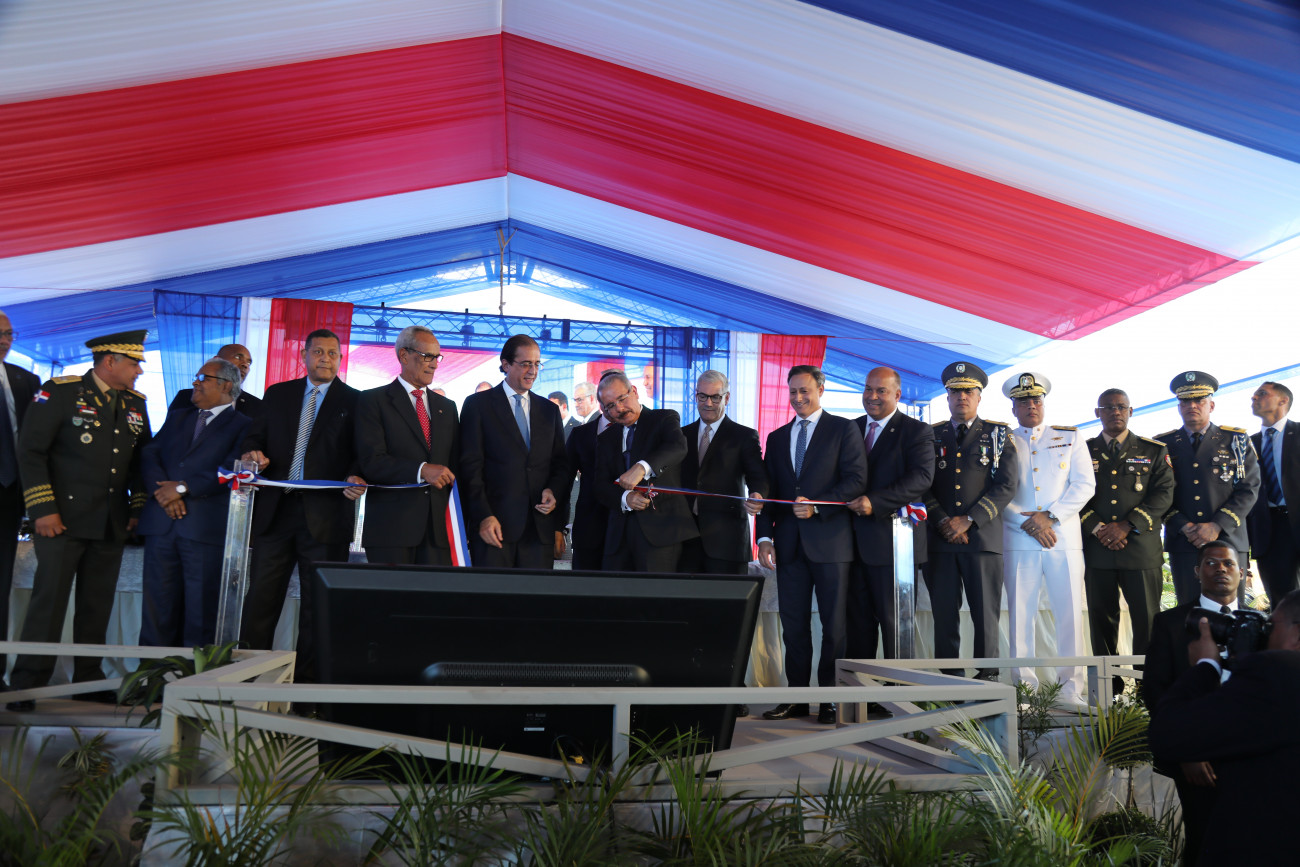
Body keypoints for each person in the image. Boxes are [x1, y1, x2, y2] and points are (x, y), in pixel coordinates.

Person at [7, 331, 152, 711]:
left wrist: (136, 509)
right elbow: (31, 452)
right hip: (62, 520)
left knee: (96, 607)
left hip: (110, 522)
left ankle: (88, 682)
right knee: (49, 604)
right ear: (110, 361)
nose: (139, 371)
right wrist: (42, 509)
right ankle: (26, 685)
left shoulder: (135, 402)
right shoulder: (60, 392)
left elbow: (142, 461)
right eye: (134, 363)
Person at [238, 329, 365, 688]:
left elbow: (364, 452)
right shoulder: (278, 394)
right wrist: (252, 455)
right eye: (318, 352)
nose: (325, 358)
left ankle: (306, 690)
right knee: (260, 600)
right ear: (304, 355)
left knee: (316, 608)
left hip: (327, 518)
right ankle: (246, 681)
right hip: (275, 512)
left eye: (332, 353)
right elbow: (254, 438)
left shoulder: (356, 401)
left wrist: (357, 474)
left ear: (340, 359)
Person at [1150, 592, 1300, 866]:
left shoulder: (1277, 673)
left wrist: (1206, 667)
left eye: (1271, 626)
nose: (1265, 636)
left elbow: (1168, 733)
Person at [755, 365, 867, 724]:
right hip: (788, 546)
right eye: (793, 392)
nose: (798, 398)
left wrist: (818, 505)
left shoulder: (844, 429)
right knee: (794, 626)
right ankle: (797, 699)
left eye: (804, 390)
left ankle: (831, 698)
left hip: (832, 544)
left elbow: (856, 480)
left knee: (834, 627)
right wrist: (765, 537)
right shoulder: (776, 437)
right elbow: (768, 492)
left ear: (821, 389)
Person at [137, 357, 251, 647]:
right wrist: (163, 493)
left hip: (202, 530)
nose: (195, 383)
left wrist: (183, 488)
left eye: (203, 378)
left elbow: (232, 468)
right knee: (156, 609)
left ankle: (193, 674)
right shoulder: (179, 416)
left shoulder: (244, 425)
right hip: (162, 524)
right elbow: (150, 454)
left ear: (226, 385)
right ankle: (152, 673)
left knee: (200, 612)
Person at [1142, 539, 1242, 867]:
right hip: (1198, 759)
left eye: (1228, 563)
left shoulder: (1261, 622)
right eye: (1211, 563)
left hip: (1249, 755)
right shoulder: (1170, 623)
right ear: (1197, 571)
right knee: (1203, 838)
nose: (1221, 569)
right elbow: (1156, 692)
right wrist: (1187, 751)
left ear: (1242, 572)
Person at [1000, 372, 1095, 702]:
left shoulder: (1070, 437)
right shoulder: (1003, 439)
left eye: (1036, 400)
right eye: (1023, 401)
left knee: (1069, 615)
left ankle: (1070, 689)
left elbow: (1084, 485)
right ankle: (1023, 690)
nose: (1031, 405)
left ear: (1044, 403)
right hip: (1018, 538)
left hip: (1062, 538)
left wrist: (1050, 517)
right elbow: (996, 489)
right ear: (1013, 407)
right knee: (1020, 618)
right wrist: (1026, 522)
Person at [922, 361, 1018, 679]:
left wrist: (969, 520)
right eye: (955, 392)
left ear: (979, 397)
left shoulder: (998, 435)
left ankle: (988, 678)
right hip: (940, 541)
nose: (961, 397)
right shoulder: (930, 435)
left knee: (985, 615)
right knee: (944, 616)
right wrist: (943, 521)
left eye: (968, 391)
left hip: (982, 540)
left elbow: (1006, 485)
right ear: (947, 397)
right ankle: (949, 680)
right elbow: (921, 484)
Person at [1081, 388, 1174, 693]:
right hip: (1098, 549)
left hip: (1140, 549)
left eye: (1121, 407)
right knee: (1101, 622)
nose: (1115, 412)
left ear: (1131, 411)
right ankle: (1109, 688)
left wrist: (1127, 525)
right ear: (1098, 413)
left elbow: (1164, 494)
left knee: (1147, 622)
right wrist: (1099, 528)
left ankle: (1147, 688)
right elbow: (1073, 493)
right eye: (1108, 407)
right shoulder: (1082, 450)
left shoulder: (1153, 450)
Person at [846, 367, 934, 660]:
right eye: (868, 389)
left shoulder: (916, 431)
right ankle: (860, 686)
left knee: (896, 625)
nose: (872, 396)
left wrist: (875, 501)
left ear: (897, 394)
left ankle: (898, 685)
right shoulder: (849, 428)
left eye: (880, 390)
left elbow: (921, 478)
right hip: (849, 545)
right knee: (857, 626)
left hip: (894, 546)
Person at [354, 326, 459, 565]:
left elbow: (456, 464)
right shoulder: (372, 401)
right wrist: (421, 470)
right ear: (404, 355)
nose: (434, 364)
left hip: (439, 534)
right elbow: (372, 461)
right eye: (427, 356)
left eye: (437, 357)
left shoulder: (448, 408)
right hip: (391, 530)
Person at [459, 335, 567, 568]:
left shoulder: (549, 411)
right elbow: (470, 468)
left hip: (539, 531)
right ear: (506, 364)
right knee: (494, 592)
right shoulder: (478, 405)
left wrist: (553, 492)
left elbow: (560, 464)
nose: (533, 371)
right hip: (493, 529)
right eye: (526, 363)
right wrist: (483, 516)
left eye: (537, 364)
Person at [1156, 372, 1260, 604]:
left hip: (1229, 538)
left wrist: (1217, 525)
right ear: (1179, 407)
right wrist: (1183, 526)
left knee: (1231, 611)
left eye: (1199, 400)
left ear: (1211, 406)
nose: (1192, 406)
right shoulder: (1163, 444)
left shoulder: (1236, 440)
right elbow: (1157, 493)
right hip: (1184, 541)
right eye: (1185, 401)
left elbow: (1249, 488)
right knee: (1189, 610)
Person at [593, 371, 697, 572]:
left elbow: (677, 447)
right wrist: (625, 498)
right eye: (610, 406)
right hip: (618, 538)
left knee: (655, 591)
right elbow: (600, 485)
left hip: (660, 533)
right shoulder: (606, 438)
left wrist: (642, 467)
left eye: (622, 399)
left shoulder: (663, 418)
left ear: (634, 391)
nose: (619, 408)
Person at [679, 370, 769, 575]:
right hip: (685, 540)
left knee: (728, 597)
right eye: (703, 396)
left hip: (727, 541)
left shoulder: (744, 436)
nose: (708, 403)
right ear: (695, 396)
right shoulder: (682, 435)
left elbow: (758, 477)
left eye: (715, 397)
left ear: (726, 398)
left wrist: (757, 494)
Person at [0, 311, 40, 689]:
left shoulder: (25, 380)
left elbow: (34, 440)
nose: (4, 340)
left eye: (9, 334)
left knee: (1, 583)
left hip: (10, 494)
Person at [1248, 381, 1300, 604]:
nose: (1254, 398)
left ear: (1283, 400)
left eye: (1262, 393)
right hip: (1268, 531)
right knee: (1281, 603)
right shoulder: (1246, 444)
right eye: (1254, 395)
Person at [562, 374, 616, 571]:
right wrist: (559, 527)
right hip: (589, 529)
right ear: (599, 398)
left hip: (629, 530)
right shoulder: (580, 434)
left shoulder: (640, 430)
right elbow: (564, 481)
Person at [168, 343, 263, 418]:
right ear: (217, 360)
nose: (245, 365)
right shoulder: (185, 397)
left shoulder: (257, 406)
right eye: (238, 357)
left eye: (249, 362)